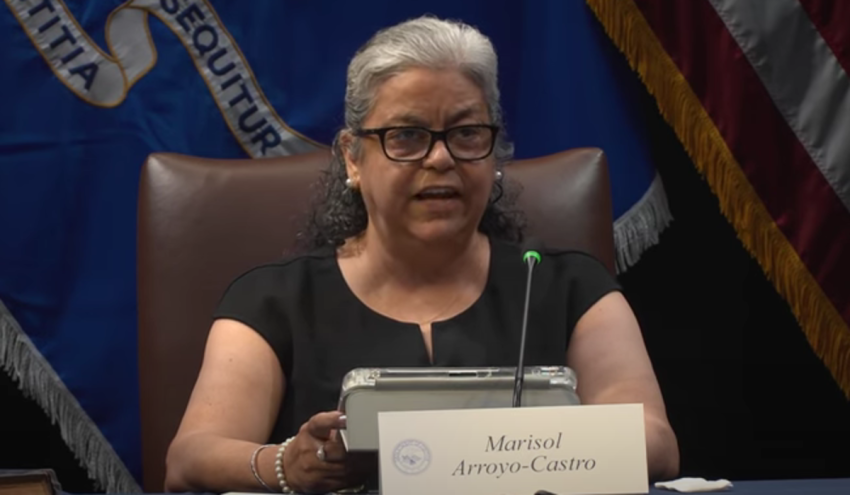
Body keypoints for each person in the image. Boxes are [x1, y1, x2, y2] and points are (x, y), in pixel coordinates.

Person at [164, 15, 680, 494]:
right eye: (406, 137)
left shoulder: (569, 288)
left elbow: (654, 443)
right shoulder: (273, 299)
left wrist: (501, 451)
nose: (441, 158)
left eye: (466, 133)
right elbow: (190, 458)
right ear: (352, 157)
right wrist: (285, 464)